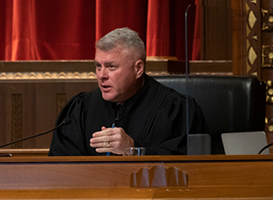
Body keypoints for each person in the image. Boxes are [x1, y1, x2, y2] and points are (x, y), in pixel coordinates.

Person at [49, 27, 207, 156]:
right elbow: (61, 168)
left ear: (138, 69)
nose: (102, 75)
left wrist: (133, 149)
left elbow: (188, 166)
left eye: (111, 66)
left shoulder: (176, 110)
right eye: (98, 66)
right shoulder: (81, 109)